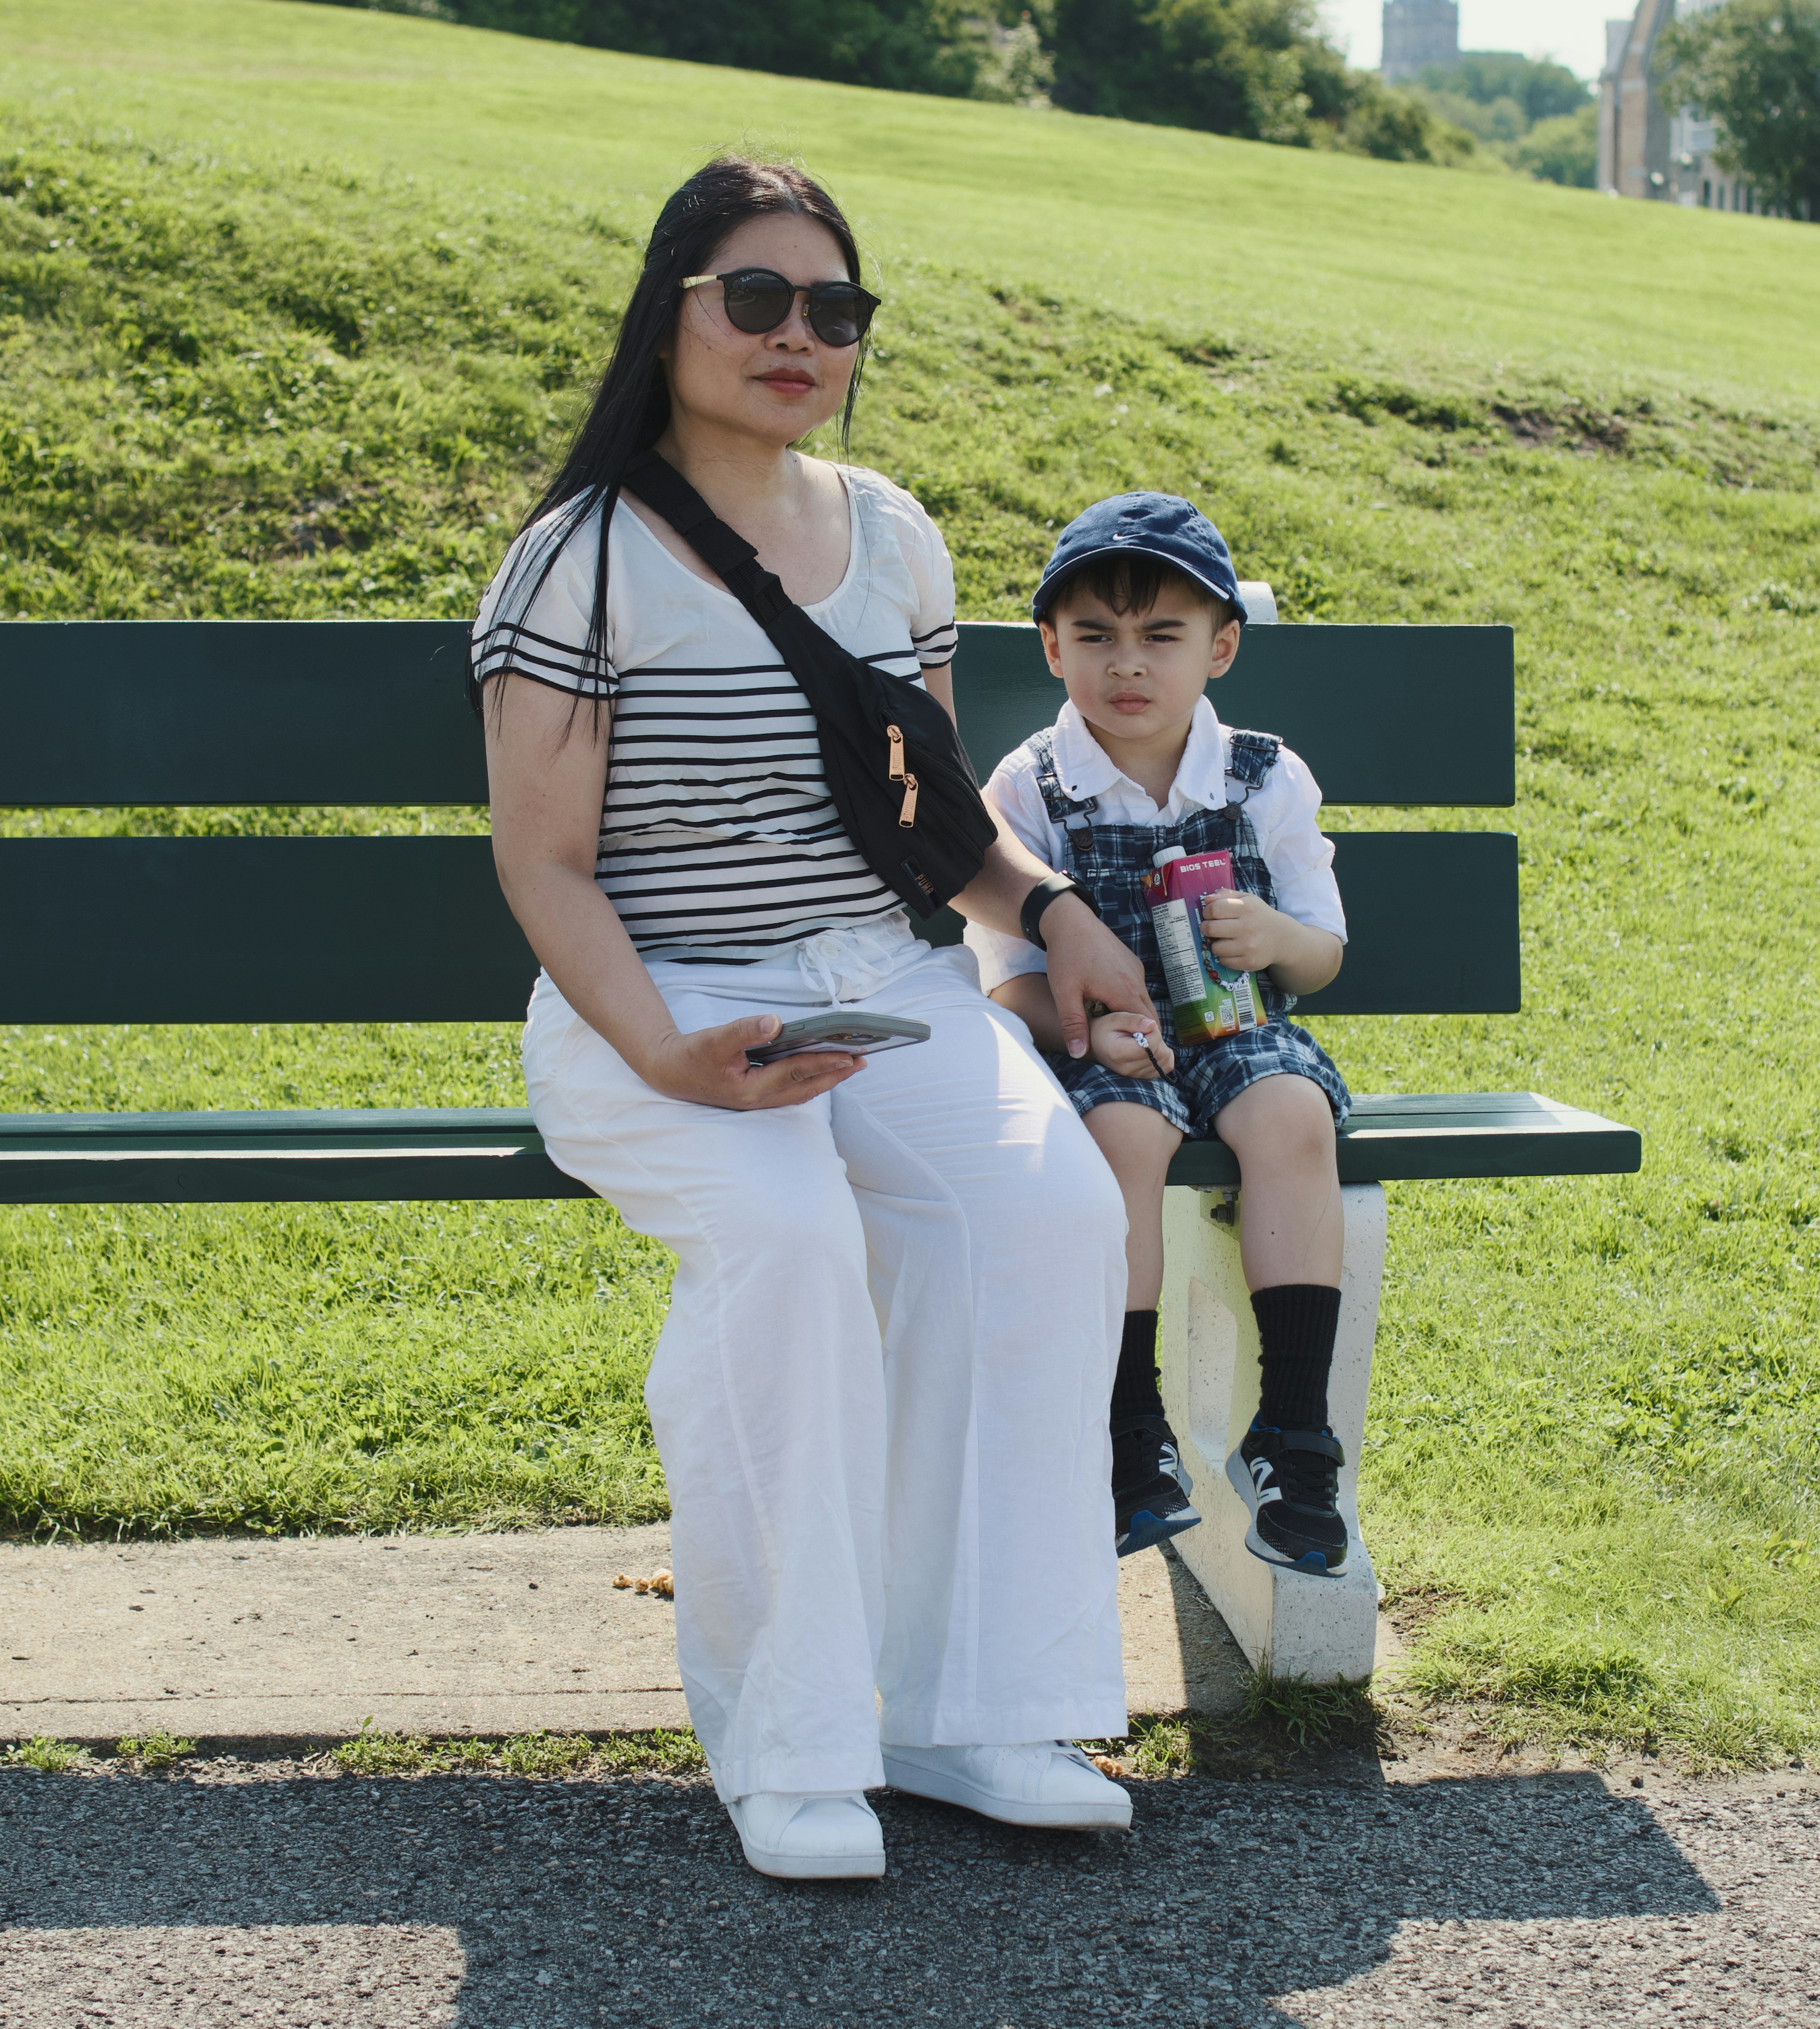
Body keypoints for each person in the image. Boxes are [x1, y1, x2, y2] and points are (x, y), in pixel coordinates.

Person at [474, 157, 1162, 1882]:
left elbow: (927, 825)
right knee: (783, 1243)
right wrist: (661, 1054)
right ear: (674, 313)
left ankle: (970, 1709)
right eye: (757, 300)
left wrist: (1056, 917)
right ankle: (787, 1741)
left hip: (889, 994)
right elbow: (549, 868)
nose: (798, 337)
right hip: (660, 1005)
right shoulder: (581, 560)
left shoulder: (893, 535)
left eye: (833, 311)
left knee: (1045, 1213)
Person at [964, 495, 1356, 1577]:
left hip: (1235, 1028)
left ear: (1220, 647)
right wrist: (1090, 1024)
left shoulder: (1264, 776)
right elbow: (1007, 978)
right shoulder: (1027, 787)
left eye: (1161, 637)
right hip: (1105, 1045)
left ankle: (1292, 1435)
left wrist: (1274, 933)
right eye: (1094, 636)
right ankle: (1130, 1436)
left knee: (1289, 1111)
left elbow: (1321, 954)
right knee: (1124, 1144)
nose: (1125, 665)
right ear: (1051, 647)